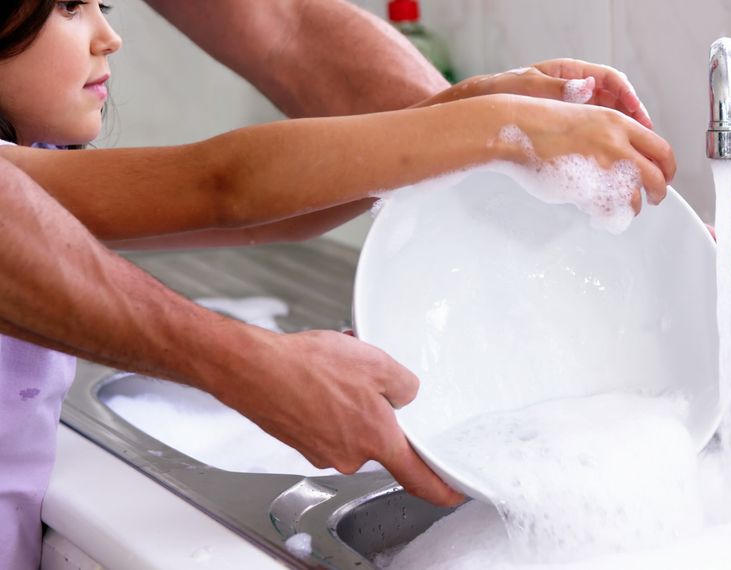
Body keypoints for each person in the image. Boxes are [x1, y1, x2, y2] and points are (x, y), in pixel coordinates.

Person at [0, 1, 680, 567]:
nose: (109, 34)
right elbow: (221, 186)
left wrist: (464, 112)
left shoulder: (41, 162)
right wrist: (491, 129)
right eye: (67, 6)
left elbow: (260, 214)